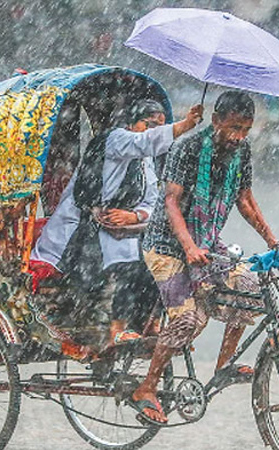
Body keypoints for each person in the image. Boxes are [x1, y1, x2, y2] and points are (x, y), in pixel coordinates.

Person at [130, 91, 278, 424]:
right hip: (166, 246)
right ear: (215, 121)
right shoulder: (188, 148)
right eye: (234, 128)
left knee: (248, 288)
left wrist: (271, 239)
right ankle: (147, 387)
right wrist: (188, 247)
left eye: (246, 129)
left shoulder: (241, 152)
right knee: (188, 320)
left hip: (207, 243)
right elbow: (171, 201)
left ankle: (224, 365)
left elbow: (245, 199)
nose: (239, 136)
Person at [30, 99, 203, 348]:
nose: (154, 131)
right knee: (129, 267)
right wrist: (186, 124)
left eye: (160, 126)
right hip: (82, 227)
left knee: (156, 260)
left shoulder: (145, 160)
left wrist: (135, 216)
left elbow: (152, 201)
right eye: (149, 124)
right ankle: (116, 331)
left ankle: (150, 324)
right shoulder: (116, 139)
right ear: (131, 124)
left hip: (120, 230)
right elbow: (144, 142)